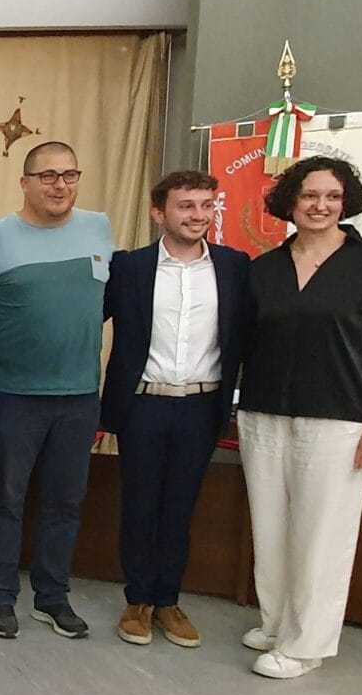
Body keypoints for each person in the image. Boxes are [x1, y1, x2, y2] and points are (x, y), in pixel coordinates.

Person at [236, 156, 362, 679]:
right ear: (291, 201)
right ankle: (277, 623)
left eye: (332, 197)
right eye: (310, 195)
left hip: (339, 419)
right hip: (264, 413)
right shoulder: (264, 268)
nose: (320, 206)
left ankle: (307, 643)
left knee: (322, 535)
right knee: (270, 530)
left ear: (346, 202)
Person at [0, 140, 112, 641]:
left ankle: (52, 597)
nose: (59, 185)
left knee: (65, 502)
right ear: (25, 183)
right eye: (48, 176)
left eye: (69, 175)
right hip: (12, 396)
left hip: (79, 395)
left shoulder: (99, 227)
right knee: (5, 501)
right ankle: (1, 598)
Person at [102, 171, 253, 649]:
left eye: (206, 205)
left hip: (202, 406)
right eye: (186, 205)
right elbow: (86, 317)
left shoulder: (235, 266)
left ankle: (168, 600)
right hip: (143, 405)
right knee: (140, 505)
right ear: (158, 213)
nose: (198, 215)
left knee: (181, 507)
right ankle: (138, 601)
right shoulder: (130, 267)